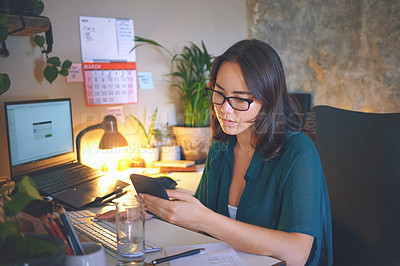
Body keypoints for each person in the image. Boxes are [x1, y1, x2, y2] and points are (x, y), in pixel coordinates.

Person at [97, 39, 333, 266]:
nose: (224, 109)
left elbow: (297, 254)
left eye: (240, 99)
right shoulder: (222, 146)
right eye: (218, 93)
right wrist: (154, 210)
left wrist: (204, 219)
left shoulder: (299, 152)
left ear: (269, 100)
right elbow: (201, 216)